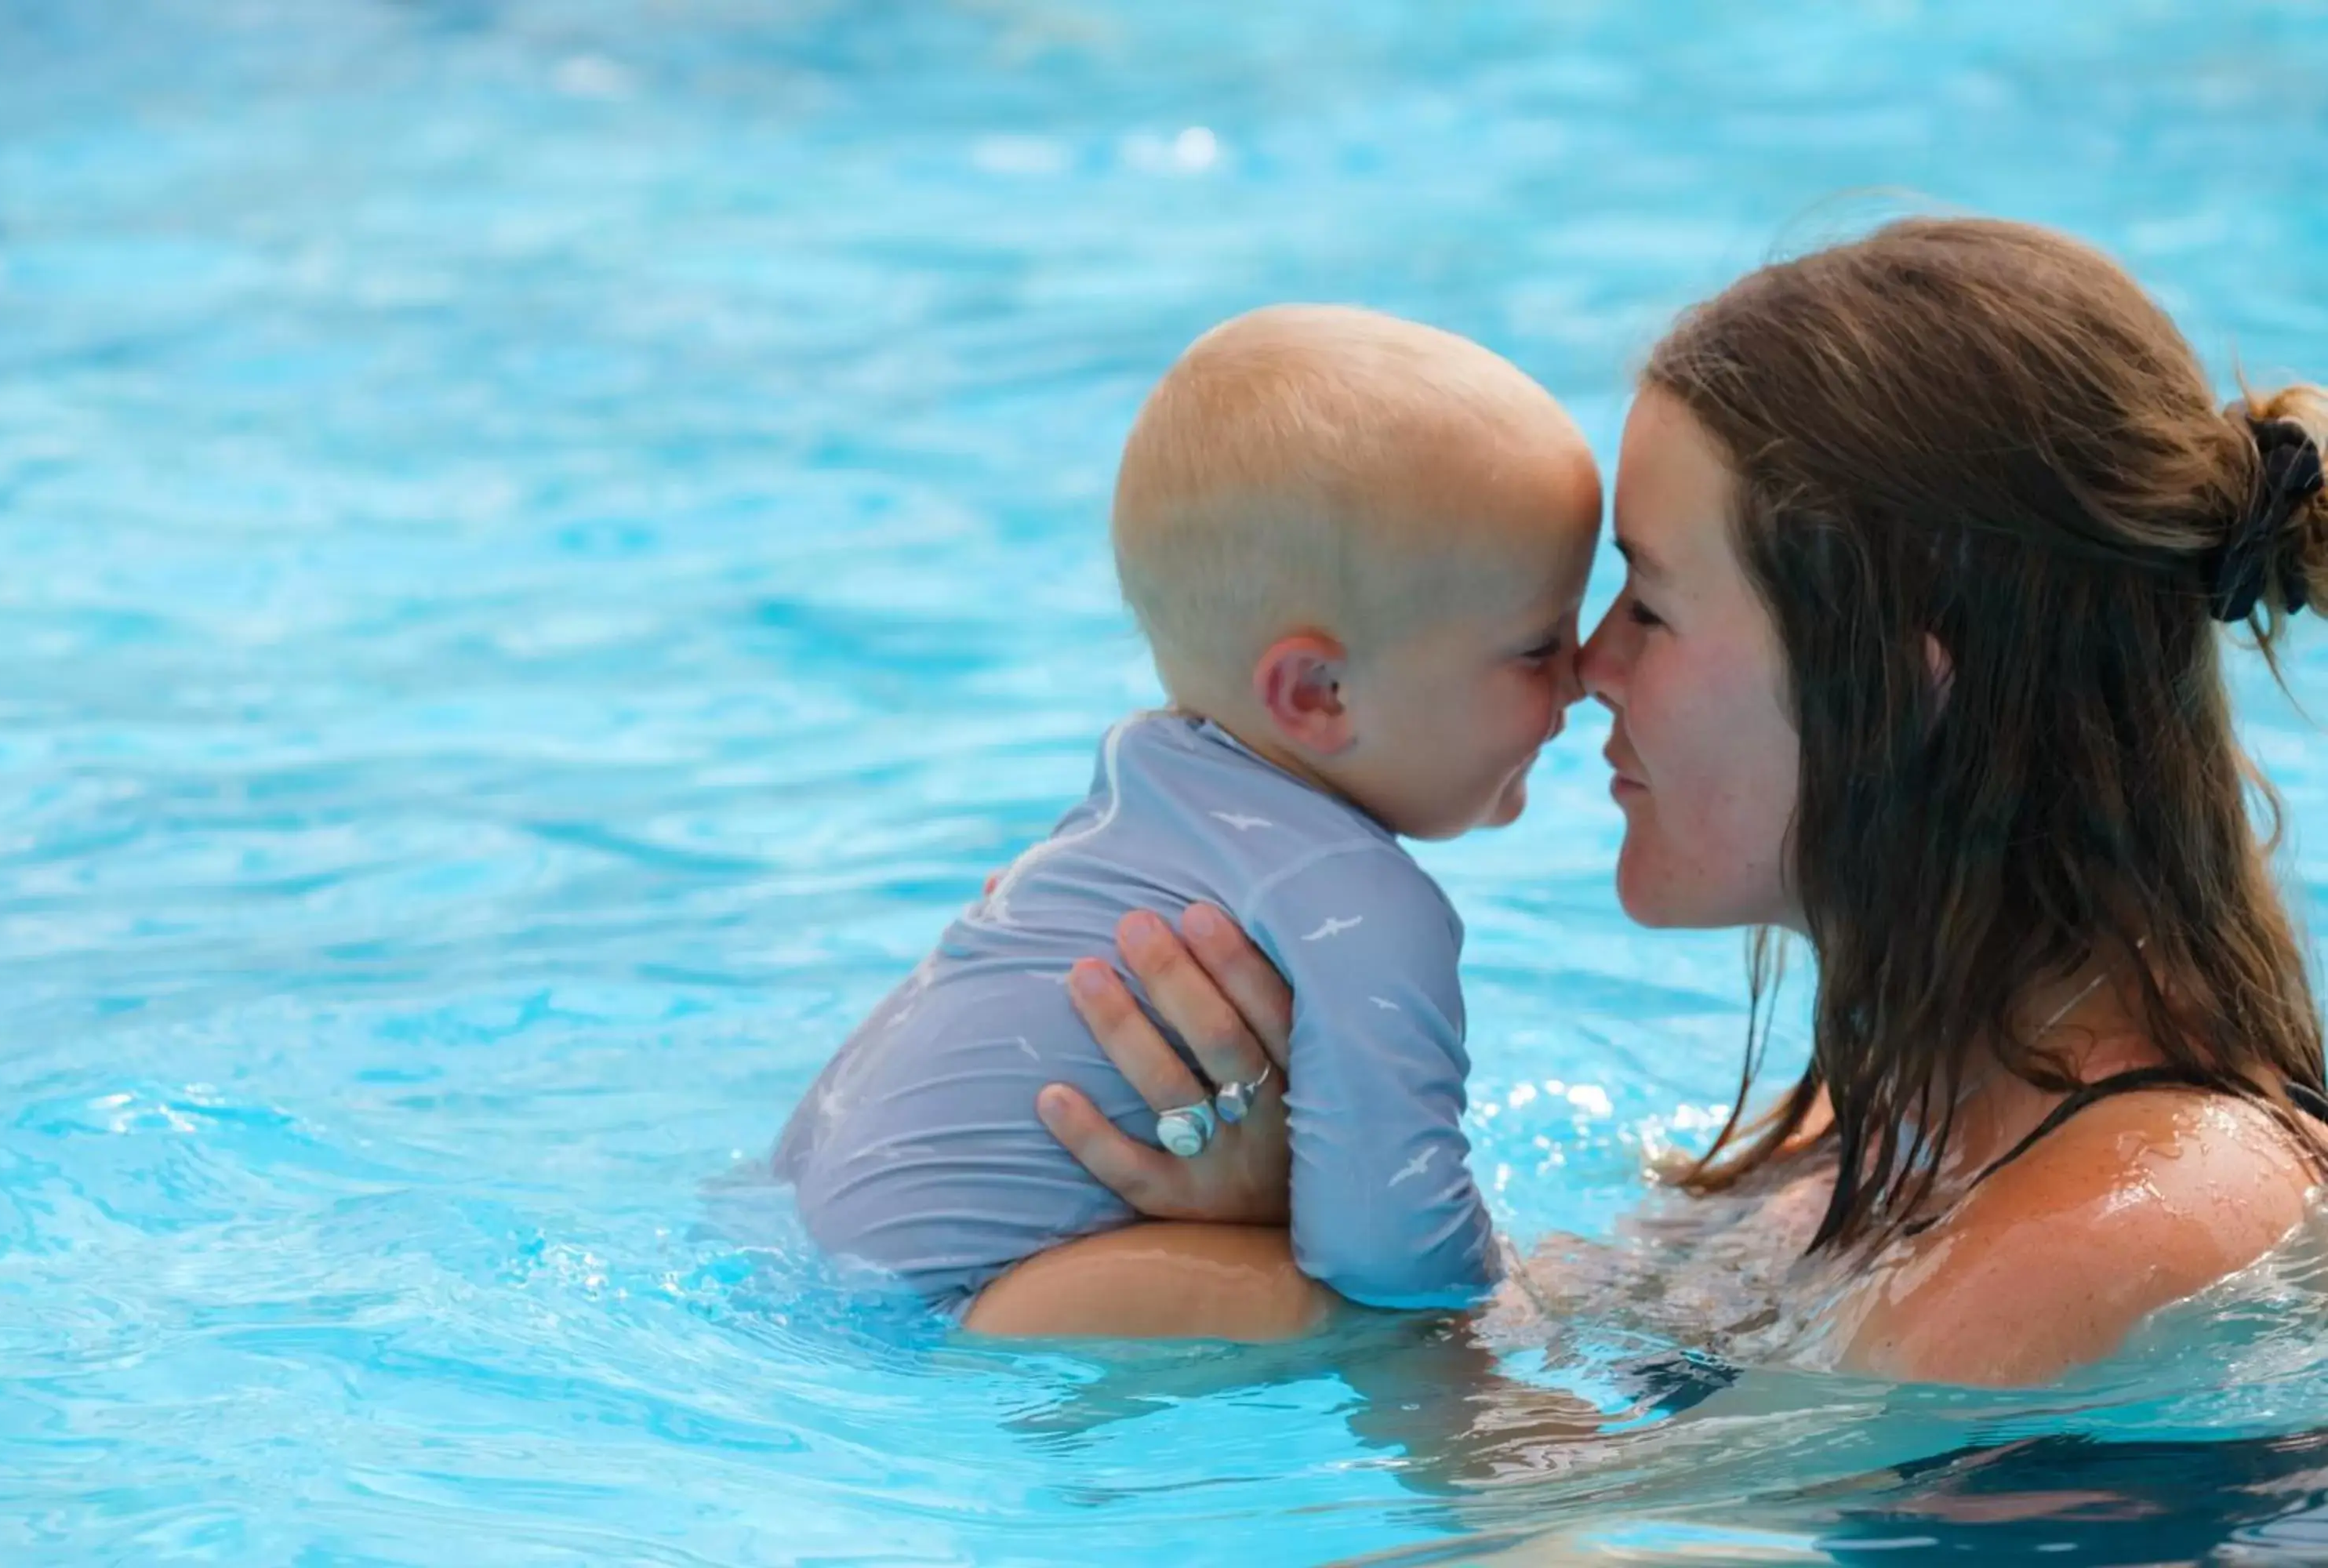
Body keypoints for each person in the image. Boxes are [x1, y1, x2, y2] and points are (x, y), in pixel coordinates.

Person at [965, 217, 2328, 1388]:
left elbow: (1607, 1529)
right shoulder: (1863, 1130)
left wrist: (1309, 1308)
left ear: (1906, 693)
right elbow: (1544, 1363)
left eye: (1653, 603)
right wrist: (1295, 1210)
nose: (1591, 667)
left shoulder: (2133, 1216)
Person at [772, 305, 1601, 1316]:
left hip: (796, 1252)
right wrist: (1538, 1291)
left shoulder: (1140, 795)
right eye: (1536, 647)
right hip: (968, 1319)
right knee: (1402, 1328)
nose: (1585, 677)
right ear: (1317, 694)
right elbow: (1400, 1256)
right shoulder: (1358, 900)